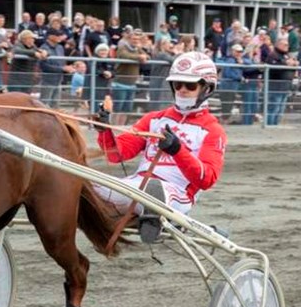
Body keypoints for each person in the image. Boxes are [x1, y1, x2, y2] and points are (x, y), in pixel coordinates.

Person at [94, 52, 226, 243]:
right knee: (87, 185)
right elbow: (117, 155)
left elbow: (207, 179)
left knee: (153, 190)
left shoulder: (213, 130)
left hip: (177, 195)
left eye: (189, 85)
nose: (182, 90)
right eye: (177, 84)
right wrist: (103, 130)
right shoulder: (154, 118)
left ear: (207, 88)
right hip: (136, 186)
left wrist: (177, 151)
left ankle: (154, 217)